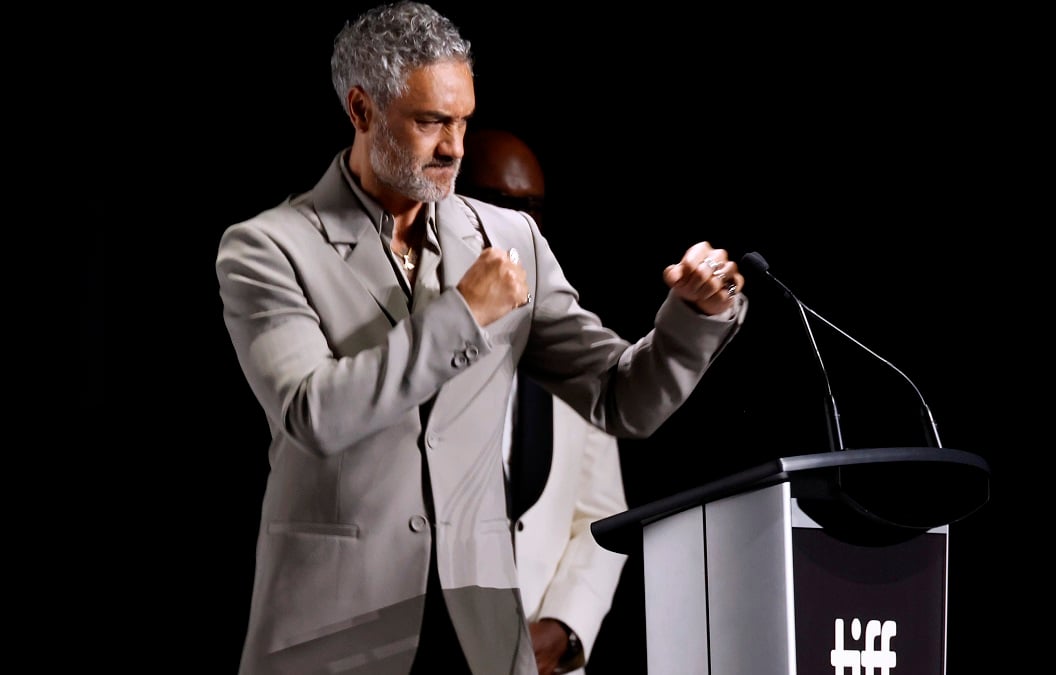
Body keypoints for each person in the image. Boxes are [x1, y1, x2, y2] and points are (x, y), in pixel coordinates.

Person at [214, 3, 747, 674]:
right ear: (360, 110)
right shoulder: (267, 247)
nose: (455, 147)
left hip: (480, 638)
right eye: (430, 121)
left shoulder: (509, 237)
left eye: (462, 120)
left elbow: (620, 399)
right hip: (330, 636)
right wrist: (464, 314)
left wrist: (692, 317)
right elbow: (313, 415)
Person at [458, 127, 628, 675]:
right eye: (497, 202)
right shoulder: (408, 336)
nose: (515, 226)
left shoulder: (567, 342)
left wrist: (564, 629)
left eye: (531, 209)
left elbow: (602, 514)